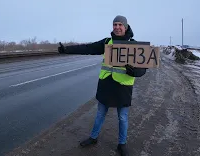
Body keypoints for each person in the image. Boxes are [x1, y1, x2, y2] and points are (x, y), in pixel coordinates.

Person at [57, 15, 147, 156]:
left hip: (123, 88)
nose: (117, 27)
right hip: (106, 85)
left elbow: (143, 68)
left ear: (126, 26)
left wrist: (136, 71)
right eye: (115, 24)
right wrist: (66, 50)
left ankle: (121, 145)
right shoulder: (107, 42)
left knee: (122, 118)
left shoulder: (134, 45)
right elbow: (88, 48)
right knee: (100, 114)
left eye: (120, 25)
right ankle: (93, 138)